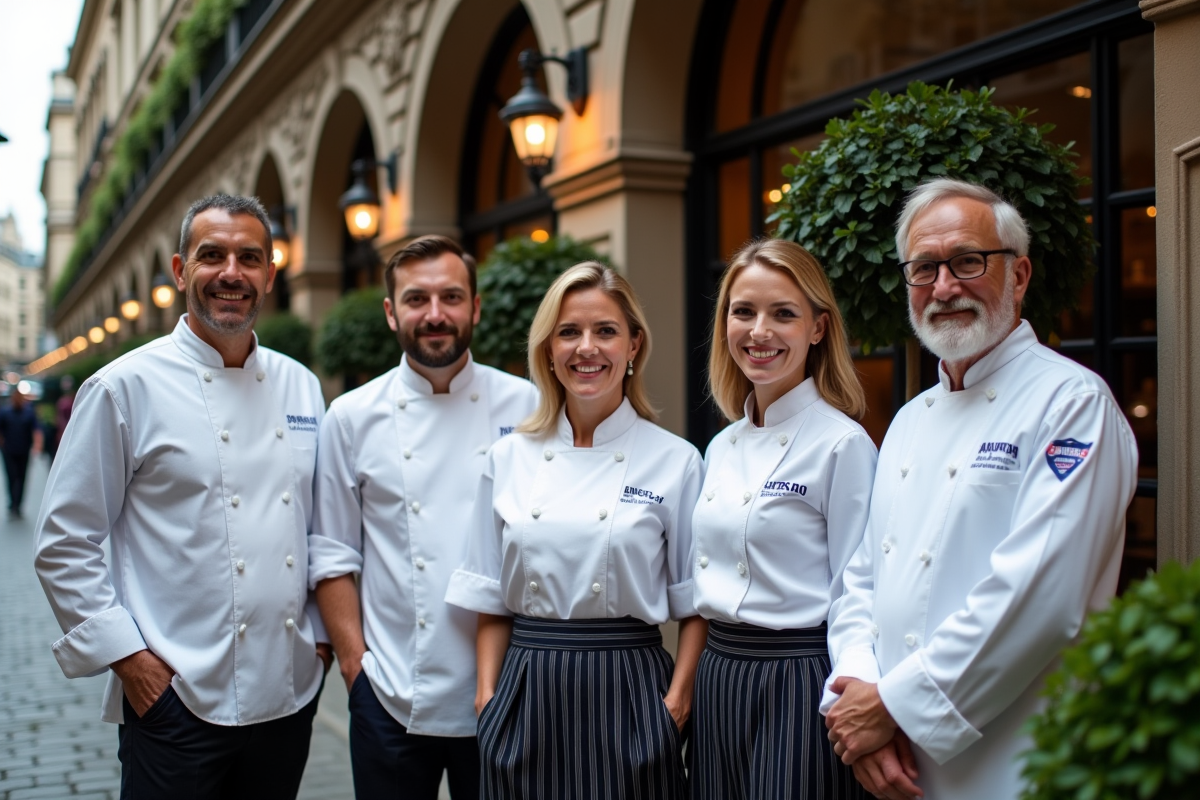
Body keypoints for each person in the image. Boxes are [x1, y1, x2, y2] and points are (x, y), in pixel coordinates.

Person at [822, 179, 1138, 800]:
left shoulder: (1072, 404)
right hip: (895, 759)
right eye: (924, 268)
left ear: (1018, 276)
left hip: (1016, 754)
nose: (944, 287)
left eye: (968, 261)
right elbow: (861, 578)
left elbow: (1041, 594)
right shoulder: (910, 419)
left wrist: (896, 707)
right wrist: (858, 696)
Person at [34, 194, 332, 800]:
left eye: (250, 258)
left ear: (271, 275)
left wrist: (320, 644)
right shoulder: (123, 387)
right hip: (177, 703)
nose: (232, 273)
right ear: (179, 271)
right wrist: (131, 662)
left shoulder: (300, 384)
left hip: (287, 695)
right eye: (212, 255)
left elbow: (319, 525)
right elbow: (65, 541)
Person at [445, 262, 706, 799]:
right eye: (569, 332)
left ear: (634, 345)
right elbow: (491, 599)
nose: (587, 347)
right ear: (548, 350)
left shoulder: (675, 460)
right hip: (526, 691)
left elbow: (695, 602)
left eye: (605, 331)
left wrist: (676, 704)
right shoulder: (507, 457)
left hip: (632, 691)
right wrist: (488, 699)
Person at [309, 234, 537, 799]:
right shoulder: (351, 417)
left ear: (475, 308)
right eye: (416, 299)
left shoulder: (529, 407)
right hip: (390, 693)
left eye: (451, 297)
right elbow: (333, 553)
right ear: (391, 312)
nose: (435, 315)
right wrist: (355, 670)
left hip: (505, 690)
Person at [690, 239, 875, 800]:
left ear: (818, 329)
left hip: (798, 678)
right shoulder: (720, 446)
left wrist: (854, 694)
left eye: (783, 314)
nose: (759, 331)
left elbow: (858, 590)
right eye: (743, 311)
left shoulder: (844, 446)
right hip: (718, 673)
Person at [0, 389, 41, 518]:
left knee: (22, 477)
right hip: (9, 450)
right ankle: (13, 503)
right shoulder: (5, 412)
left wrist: (36, 446)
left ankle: (18, 505)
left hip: (23, 450)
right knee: (11, 477)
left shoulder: (29, 413)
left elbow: (36, 430)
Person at [50, 374, 76, 460]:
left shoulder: (72, 399)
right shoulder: (63, 401)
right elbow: (59, 417)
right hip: (64, 429)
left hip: (70, 429)